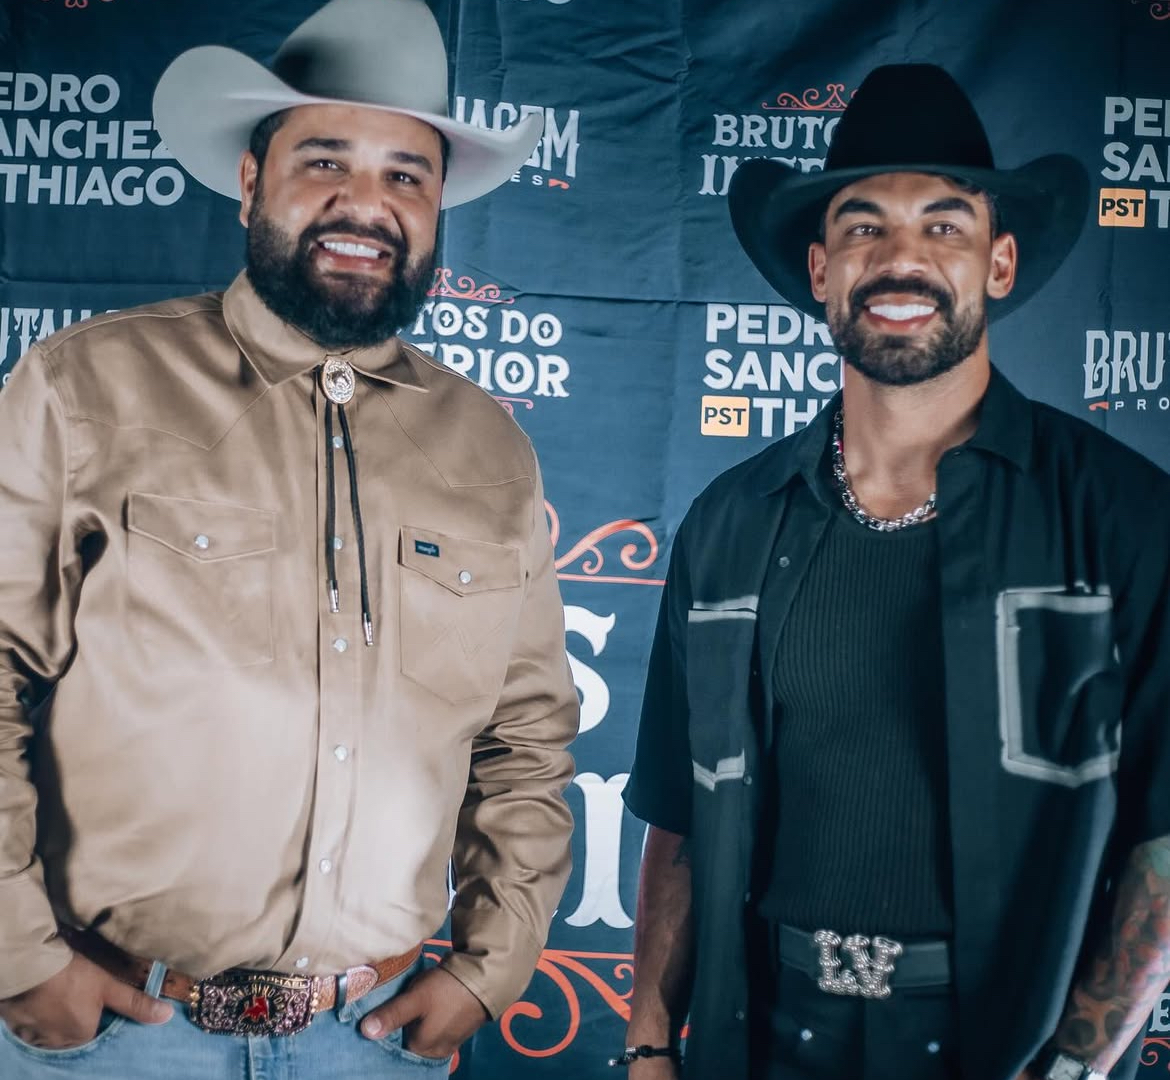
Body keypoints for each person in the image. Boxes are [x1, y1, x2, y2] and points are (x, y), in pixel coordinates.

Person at [0, 1, 578, 1076]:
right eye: (325, 161)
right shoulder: (84, 389)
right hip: (118, 1033)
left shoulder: (490, 447)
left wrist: (490, 966)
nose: (367, 203)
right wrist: (18, 957)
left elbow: (527, 738)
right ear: (249, 181)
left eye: (406, 174)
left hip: (373, 1037)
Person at [620, 63, 1170, 1080]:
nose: (901, 259)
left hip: (1009, 1047)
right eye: (864, 227)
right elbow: (680, 814)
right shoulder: (729, 523)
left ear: (999, 262)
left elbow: (1165, 839)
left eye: (943, 226)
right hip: (763, 1039)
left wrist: (1075, 1068)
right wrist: (651, 1044)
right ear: (820, 267)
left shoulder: (1126, 517)